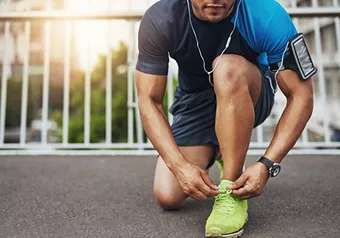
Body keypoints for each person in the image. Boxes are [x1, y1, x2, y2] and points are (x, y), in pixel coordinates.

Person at [135, 0, 315, 237]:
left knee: (226, 67)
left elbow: (301, 95)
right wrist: (179, 166)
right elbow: (149, 99)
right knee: (168, 195)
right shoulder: (160, 19)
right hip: (196, 101)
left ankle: (231, 187)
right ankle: (222, 150)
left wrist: (267, 164)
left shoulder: (267, 14)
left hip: (249, 90)